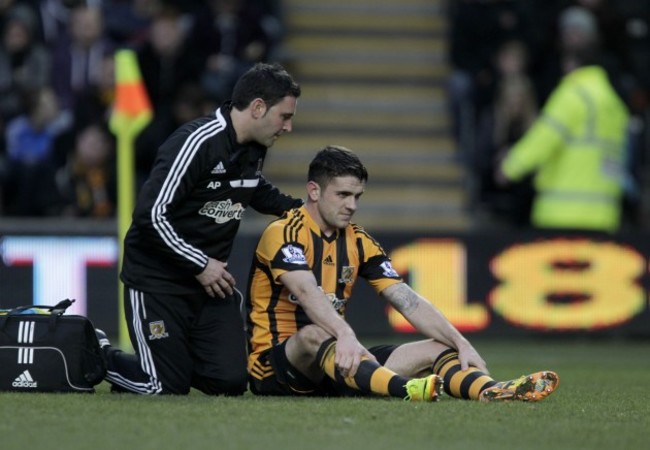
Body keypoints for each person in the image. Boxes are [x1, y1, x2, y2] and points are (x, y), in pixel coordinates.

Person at [246, 145, 560, 402]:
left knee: (441, 347)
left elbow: (406, 299)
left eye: (357, 197)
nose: (352, 205)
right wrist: (344, 334)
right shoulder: (283, 232)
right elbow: (305, 291)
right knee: (314, 334)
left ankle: (493, 390)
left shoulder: (358, 240)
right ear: (314, 191)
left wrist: (460, 340)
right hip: (276, 368)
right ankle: (405, 389)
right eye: (343, 195)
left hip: (338, 360)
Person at [96, 62, 303, 395]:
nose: (288, 127)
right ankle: (99, 354)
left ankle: (168, 357)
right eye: (285, 116)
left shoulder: (254, 147)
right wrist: (201, 264)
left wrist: (306, 212)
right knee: (162, 387)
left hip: (208, 289)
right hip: (157, 282)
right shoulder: (195, 143)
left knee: (232, 382)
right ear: (258, 107)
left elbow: (254, 189)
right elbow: (150, 215)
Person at [495, 45, 630, 233]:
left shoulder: (573, 94)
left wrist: (510, 166)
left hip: (564, 212)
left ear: (570, 65)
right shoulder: (614, 103)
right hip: (606, 214)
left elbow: (544, 138)